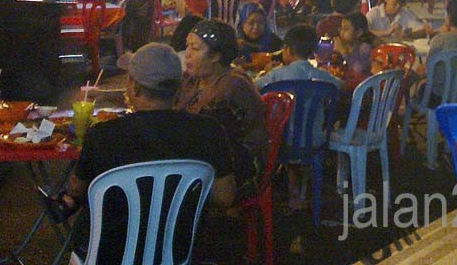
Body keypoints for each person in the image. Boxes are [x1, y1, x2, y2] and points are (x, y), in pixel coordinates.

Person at [58, 43, 235, 265]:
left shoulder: (104, 135)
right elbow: (224, 197)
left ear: (134, 87)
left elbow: (77, 189)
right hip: (177, 255)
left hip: (107, 257)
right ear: (178, 89)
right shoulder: (209, 131)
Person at [175, 19, 267, 198]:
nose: (187, 54)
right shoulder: (194, 79)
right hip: (204, 160)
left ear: (216, 55)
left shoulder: (231, 86)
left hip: (237, 170)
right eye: (187, 46)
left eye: (195, 48)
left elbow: (207, 139)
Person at [255, 24, 341, 212]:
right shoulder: (322, 77)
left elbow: (255, 87)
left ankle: (285, 192)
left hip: (280, 142)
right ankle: (299, 189)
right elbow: (339, 86)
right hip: (314, 142)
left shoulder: (277, 75)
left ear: (288, 49)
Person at [366, 0, 431, 40]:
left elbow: (423, 30)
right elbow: (364, 34)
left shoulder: (405, 13)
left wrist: (408, 35)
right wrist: (387, 32)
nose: (398, 7)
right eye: (395, 3)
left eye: (401, 4)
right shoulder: (374, 14)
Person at [333, 11, 375, 78]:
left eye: (346, 29)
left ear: (359, 33)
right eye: (341, 28)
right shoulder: (346, 45)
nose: (342, 32)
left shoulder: (365, 47)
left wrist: (343, 52)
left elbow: (360, 69)